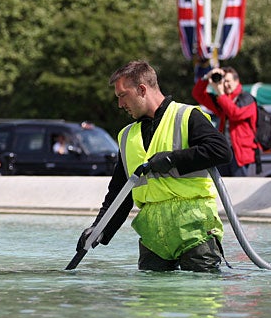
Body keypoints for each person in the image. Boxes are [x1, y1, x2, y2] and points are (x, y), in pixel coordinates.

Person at [76, 61, 232, 272]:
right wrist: (99, 229)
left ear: (142, 89)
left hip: (194, 231)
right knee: (149, 301)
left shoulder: (186, 116)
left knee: (199, 299)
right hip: (154, 237)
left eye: (123, 95)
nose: (120, 105)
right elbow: (119, 194)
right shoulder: (126, 136)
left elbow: (221, 150)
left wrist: (172, 159)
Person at [192, 66, 257, 176]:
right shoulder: (223, 100)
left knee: (240, 188)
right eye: (223, 81)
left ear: (237, 81)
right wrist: (207, 77)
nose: (225, 85)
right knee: (224, 187)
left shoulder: (246, 98)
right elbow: (198, 94)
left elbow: (235, 113)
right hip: (224, 152)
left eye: (228, 81)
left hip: (240, 154)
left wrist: (220, 93)